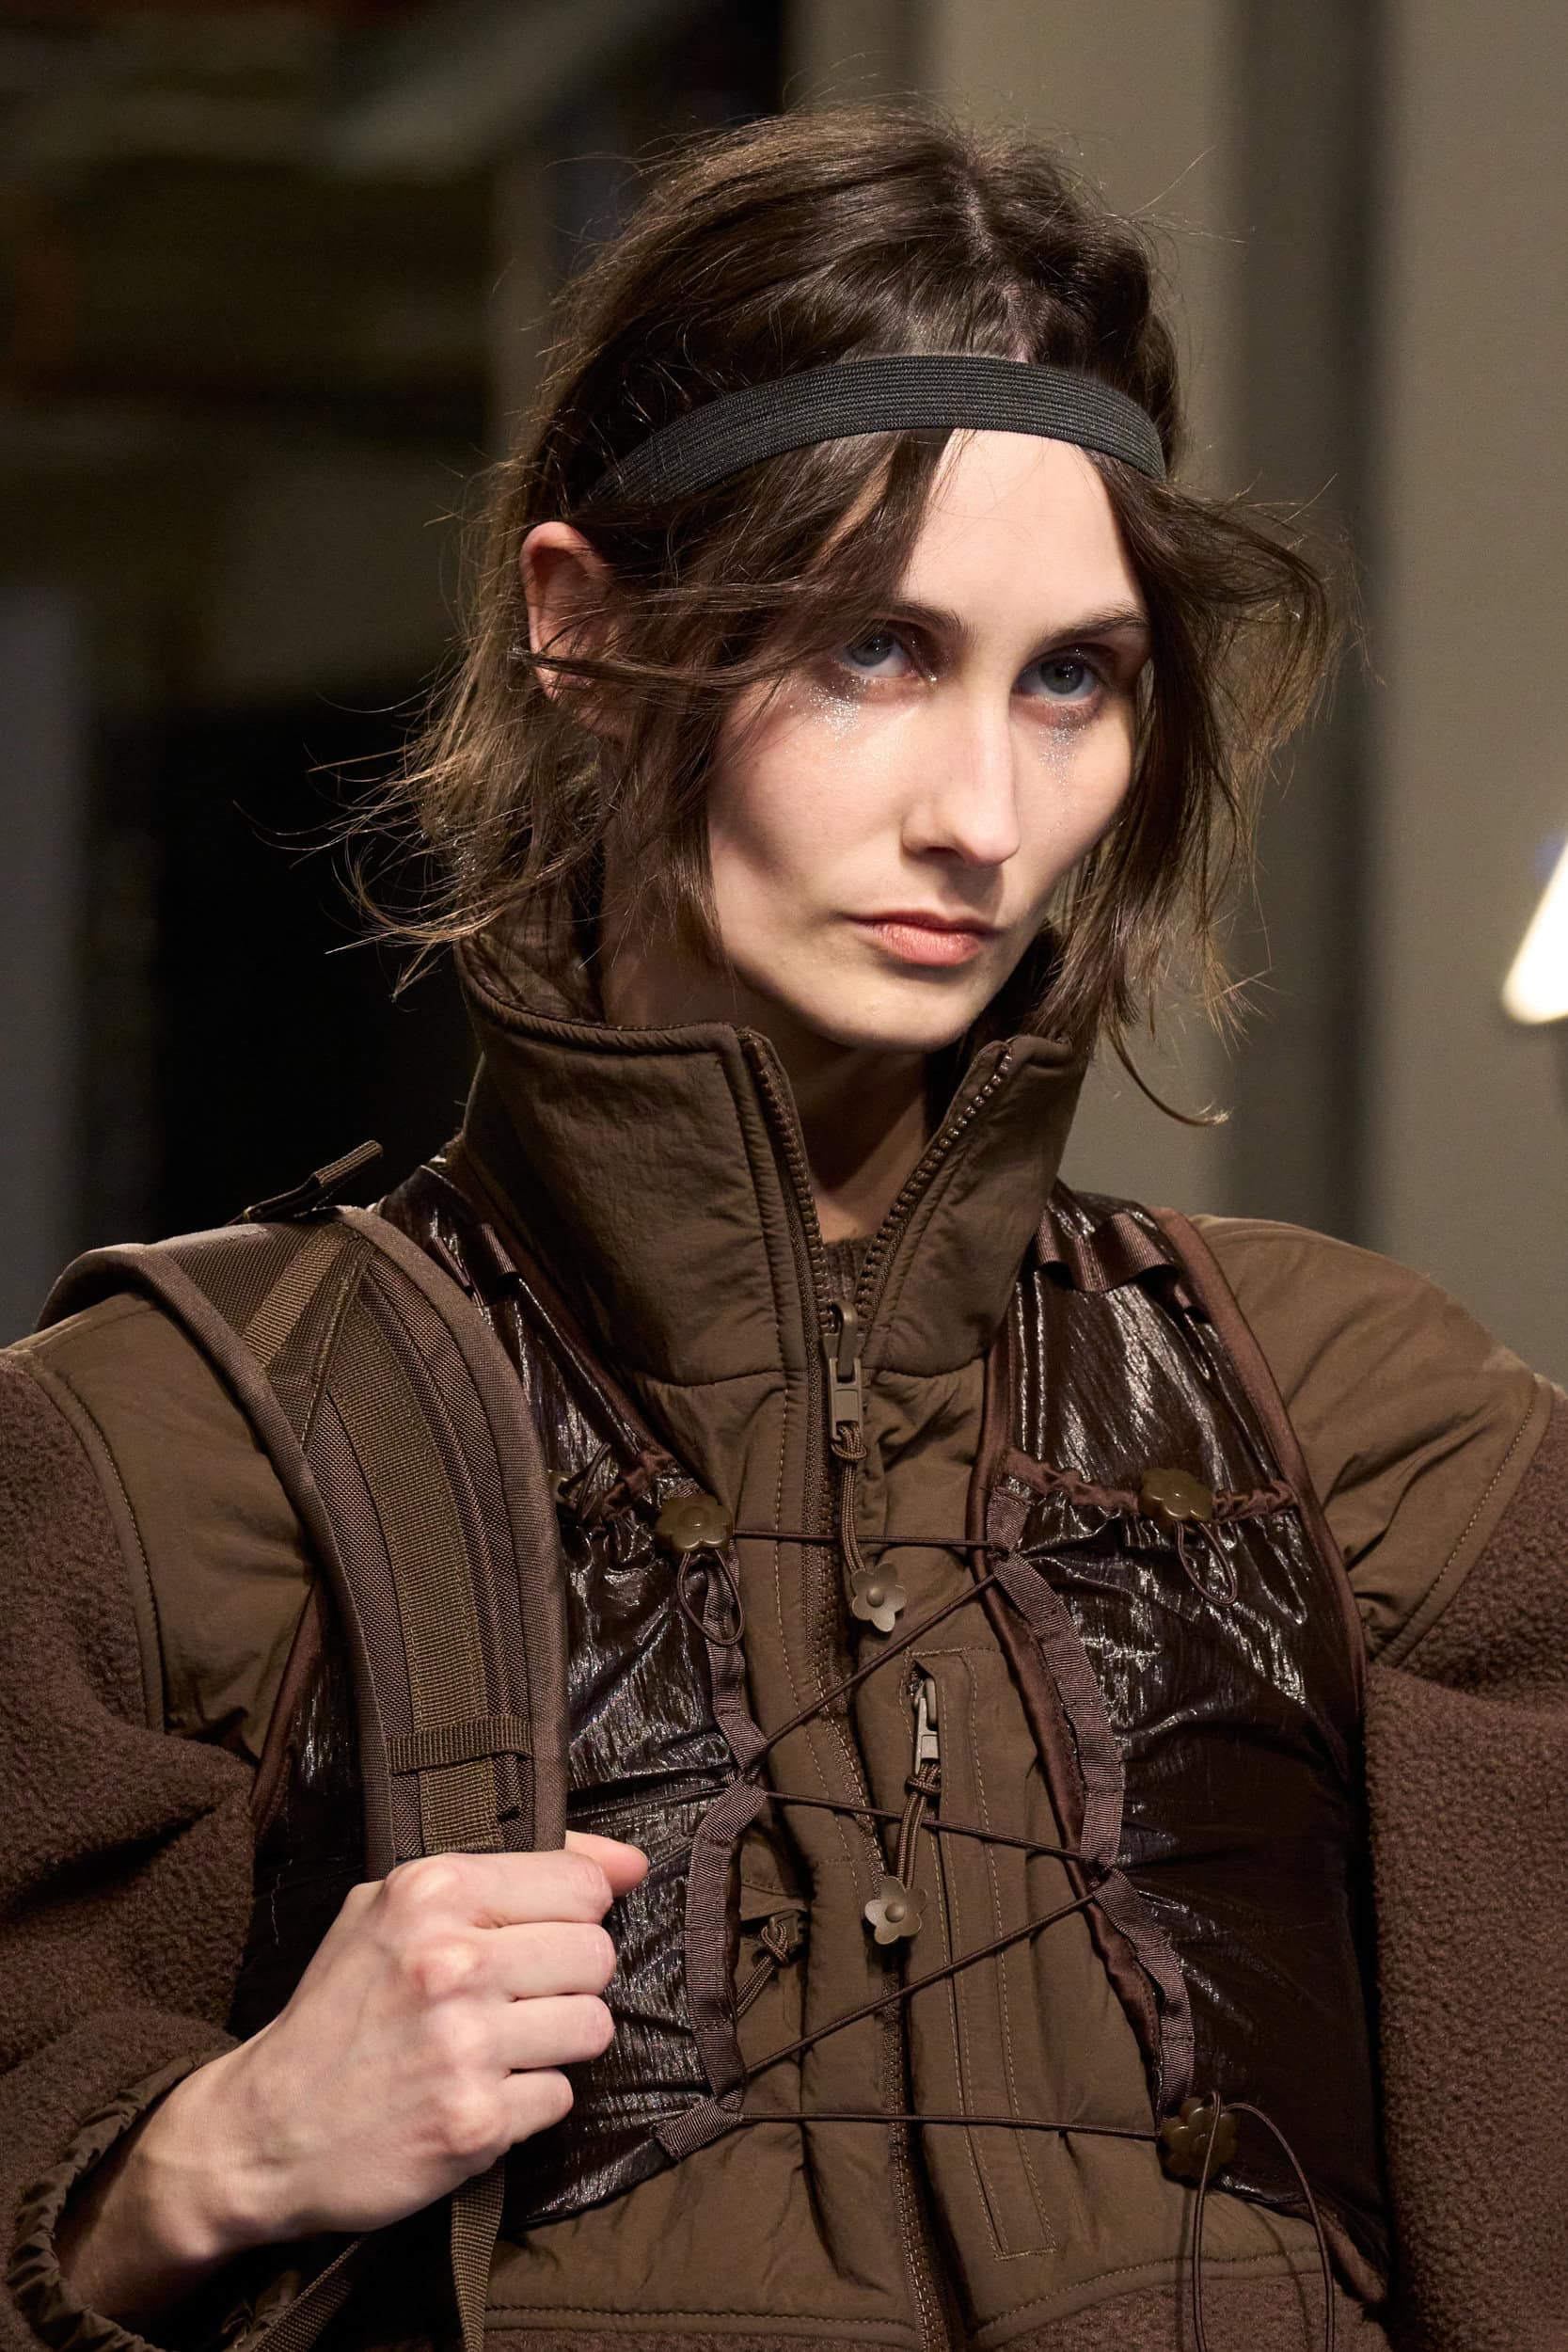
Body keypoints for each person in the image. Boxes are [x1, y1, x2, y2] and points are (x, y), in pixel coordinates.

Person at [1, 98, 1562, 2352]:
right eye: (872, 650)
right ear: (582, 626)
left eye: (1072, 676)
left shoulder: (1366, 1427)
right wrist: (204, 2158)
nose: (984, 815)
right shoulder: (174, 1451)